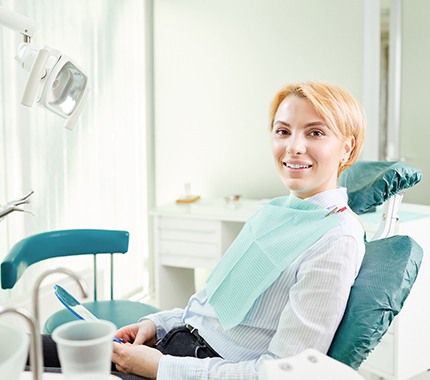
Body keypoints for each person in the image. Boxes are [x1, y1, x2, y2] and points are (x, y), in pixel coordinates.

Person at [110, 81, 367, 379]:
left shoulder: (336, 239)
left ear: (346, 148)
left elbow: (282, 374)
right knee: (44, 352)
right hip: (174, 344)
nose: (294, 146)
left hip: (191, 367)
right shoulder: (276, 212)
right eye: (283, 131)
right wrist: (159, 324)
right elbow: (216, 306)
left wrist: (160, 367)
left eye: (316, 133)